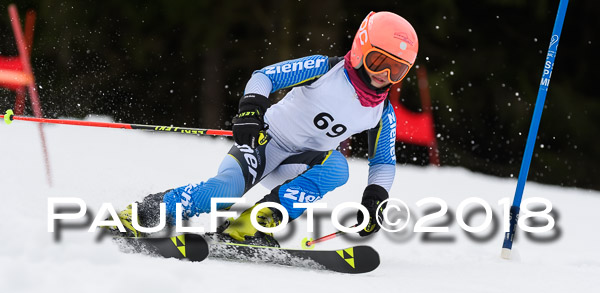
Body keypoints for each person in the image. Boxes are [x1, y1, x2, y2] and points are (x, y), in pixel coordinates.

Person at [111, 11, 418, 246]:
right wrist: (249, 112)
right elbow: (265, 77)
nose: (384, 74)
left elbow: (383, 161)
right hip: (264, 142)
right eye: (379, 62)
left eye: (398, 69)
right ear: (361, 47)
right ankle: (148, 213)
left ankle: (252, 224)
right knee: (224, 192)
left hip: (301, 162)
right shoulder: (325, 69)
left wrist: (375, 196)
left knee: (338, 168)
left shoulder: (382, 113)